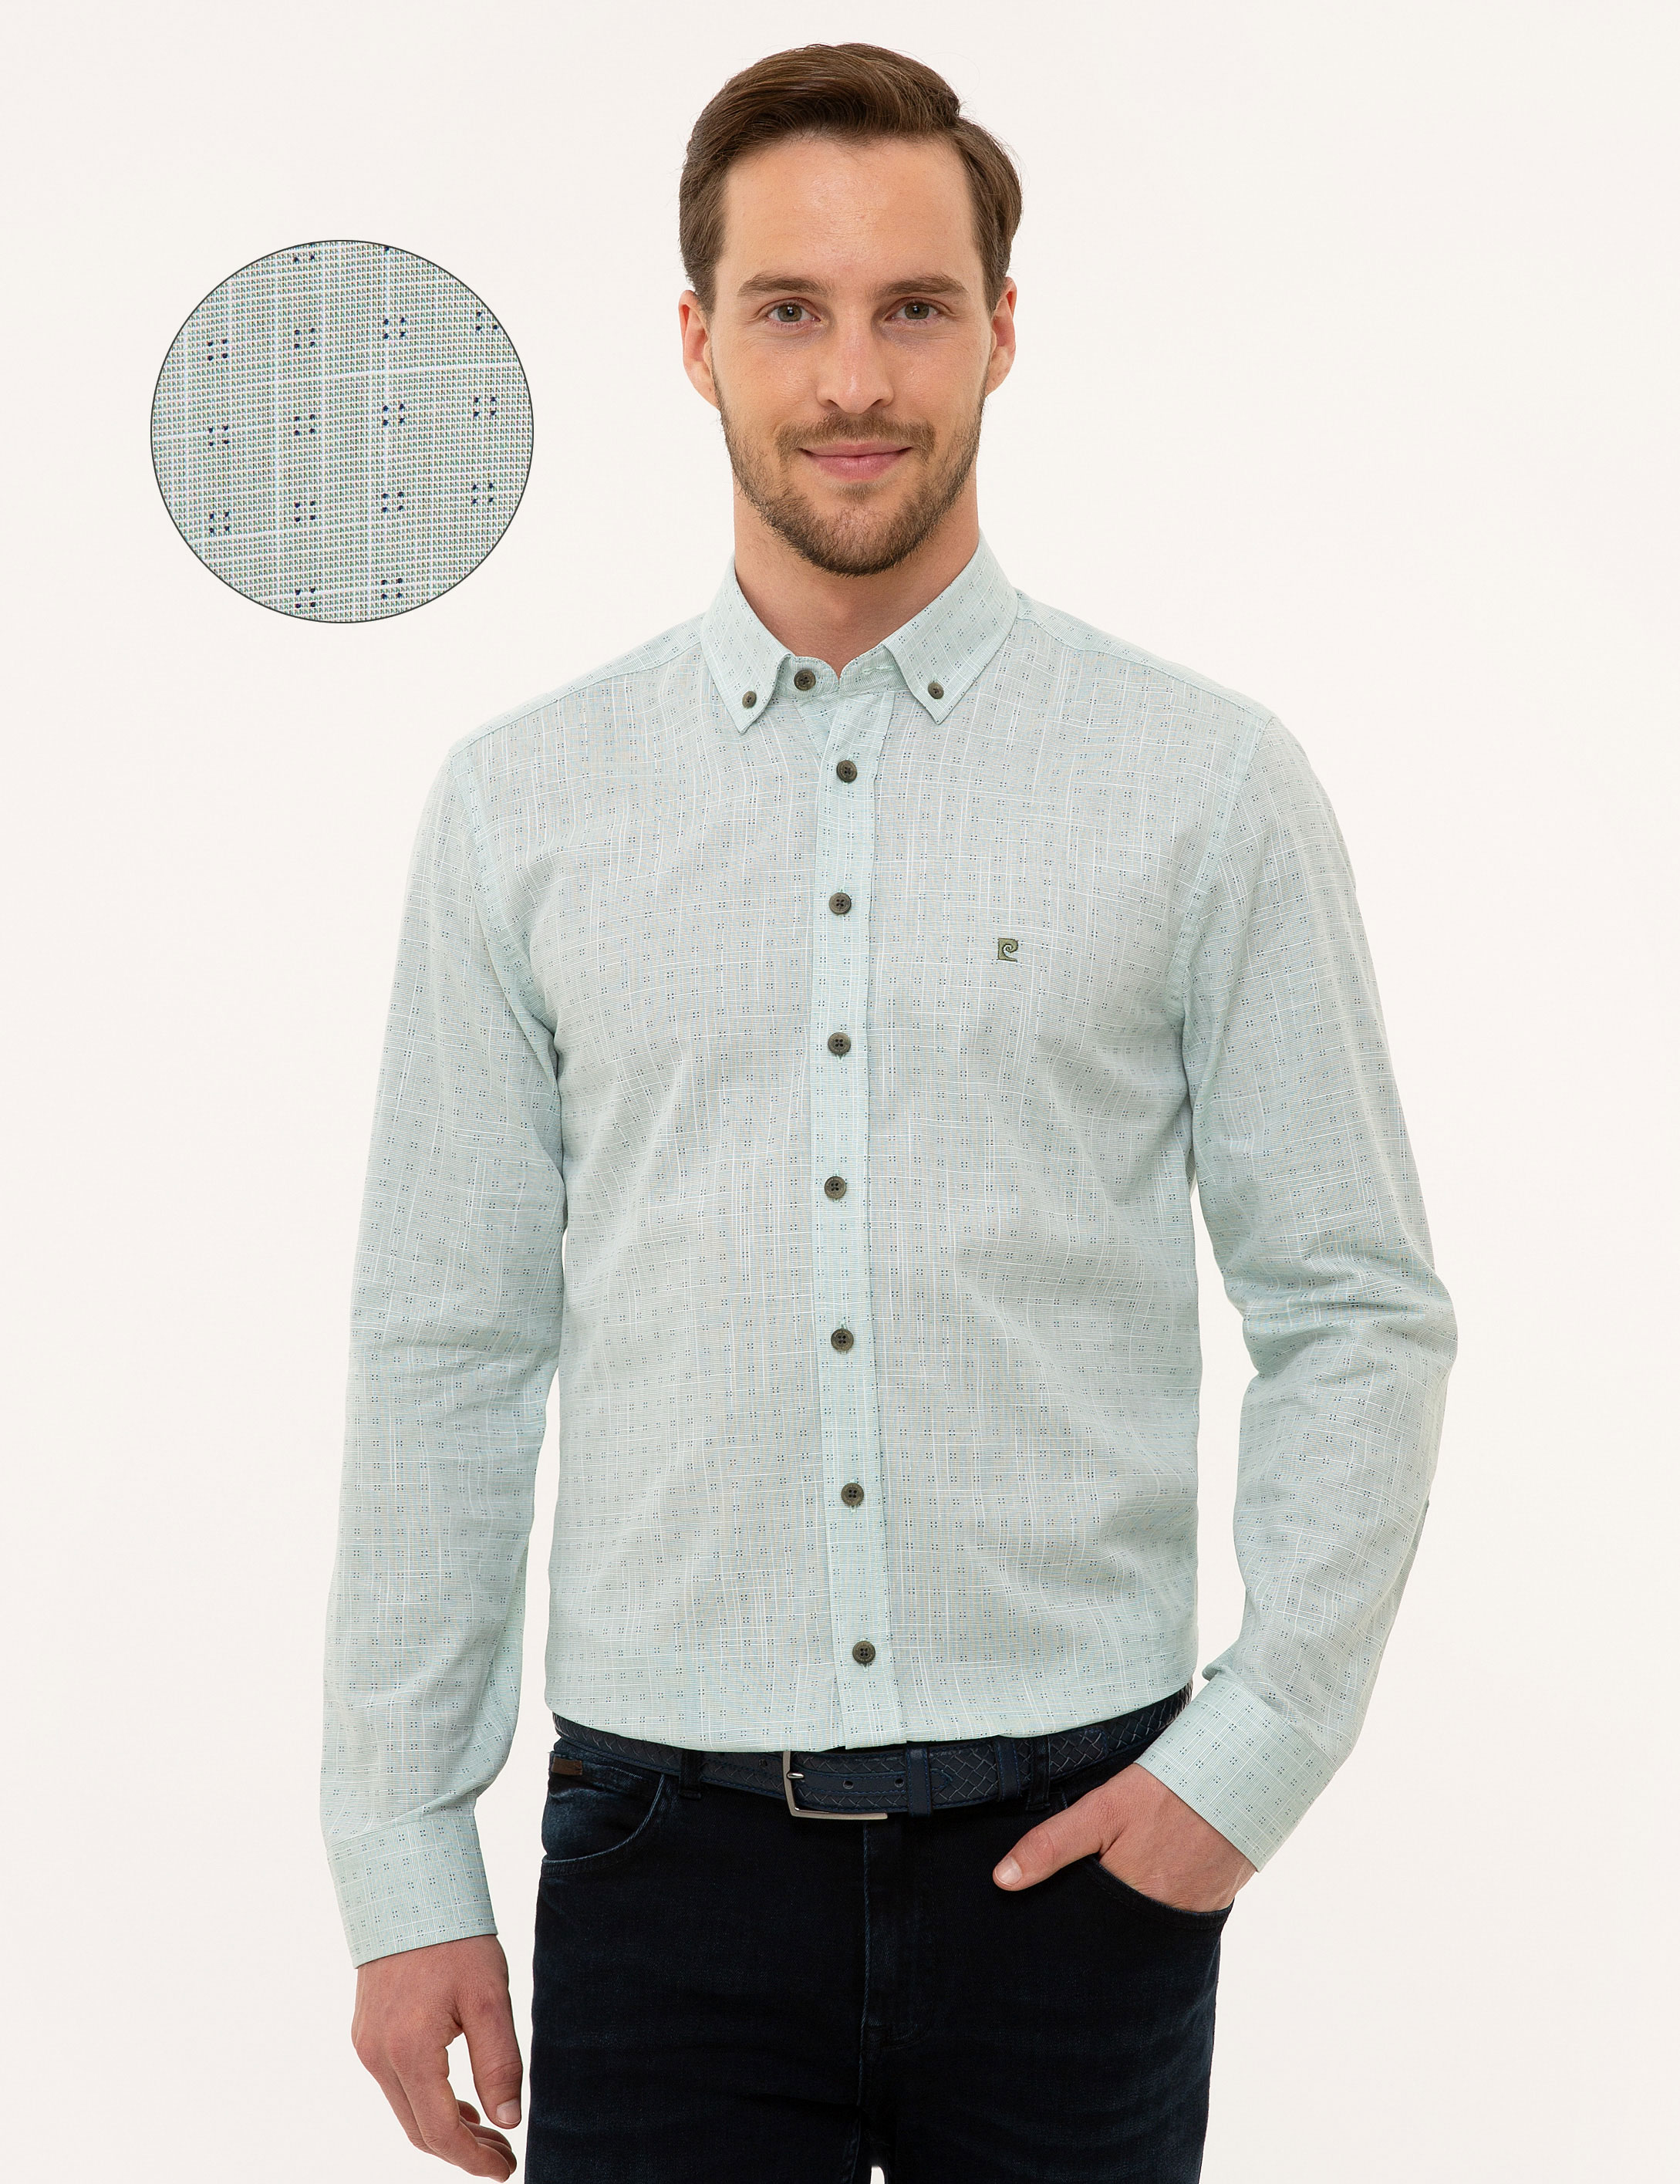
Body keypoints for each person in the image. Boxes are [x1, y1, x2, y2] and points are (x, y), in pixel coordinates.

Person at [323, 41, 1456, 2184]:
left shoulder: (1205, 786)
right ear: (696, 341)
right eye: (791, 308)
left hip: (1083, 1853)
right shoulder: (520, 807)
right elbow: (443, 1345)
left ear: (1002, 331)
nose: (853, 378)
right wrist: (402, 1862)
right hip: (659, 1860)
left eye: (912, 307)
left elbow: (1356, 1306)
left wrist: (1253, 1758)